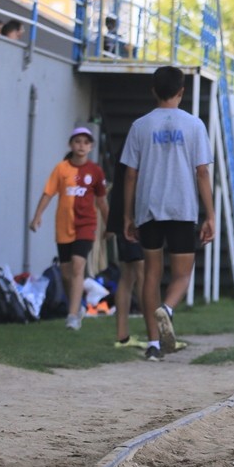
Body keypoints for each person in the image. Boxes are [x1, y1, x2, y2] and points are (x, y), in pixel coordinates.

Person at [122, 66, 215, 361]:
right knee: (182, 275)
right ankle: (169, 308)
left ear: (153, 91)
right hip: (182, 208)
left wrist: (127, 215)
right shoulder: (194, 125)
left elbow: (130, 175)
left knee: (151, 274)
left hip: (148, 208)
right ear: (181, 92)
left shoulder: (140, 126)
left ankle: (153, 343)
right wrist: (210, 215)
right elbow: (202, 173)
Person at [28, 127, 108, 331]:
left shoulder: (95, 171)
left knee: (78, 266)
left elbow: (101, 201)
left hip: (86, 225)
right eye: (78, 141)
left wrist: (110, 224)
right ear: (71, 144)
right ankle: (78, 305)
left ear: (91, 147)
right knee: (66, 273)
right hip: (64, 226)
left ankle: (72, 316)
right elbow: (48, 193)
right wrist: (37, 216)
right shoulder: (61, 169)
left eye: (86, 142)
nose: (81, 145)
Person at [105, 134, 145, 349]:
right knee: (141, 273)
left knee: (128, 275)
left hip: (125, 217)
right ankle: (155, 335)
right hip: (131, 219)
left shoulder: (131, 141)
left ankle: (123, 336)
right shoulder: (137, 142)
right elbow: (130, 178)